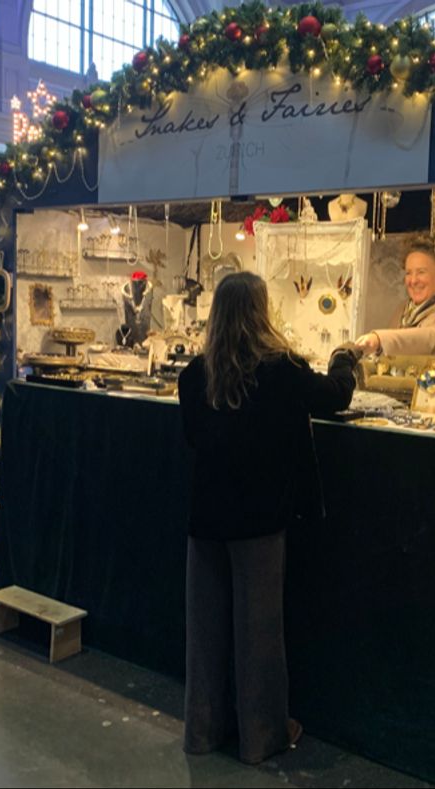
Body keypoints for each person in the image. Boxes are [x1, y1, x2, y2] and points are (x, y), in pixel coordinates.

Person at [177, 271, 360, 764]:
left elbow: (195, 438)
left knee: (204, 631)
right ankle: (261, 738)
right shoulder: (281, 370)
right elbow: (336, 395)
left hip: (206, 518)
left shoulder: (193, 376)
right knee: (259, 633)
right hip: (259, 520)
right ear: (262, 314)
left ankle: (202, 731)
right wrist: (345, 360)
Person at [355, 235, 435, 357]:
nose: (413, 280)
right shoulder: (402, 311)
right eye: (408, 273)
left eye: (421, 272)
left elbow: (432, 339)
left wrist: (380, 339)